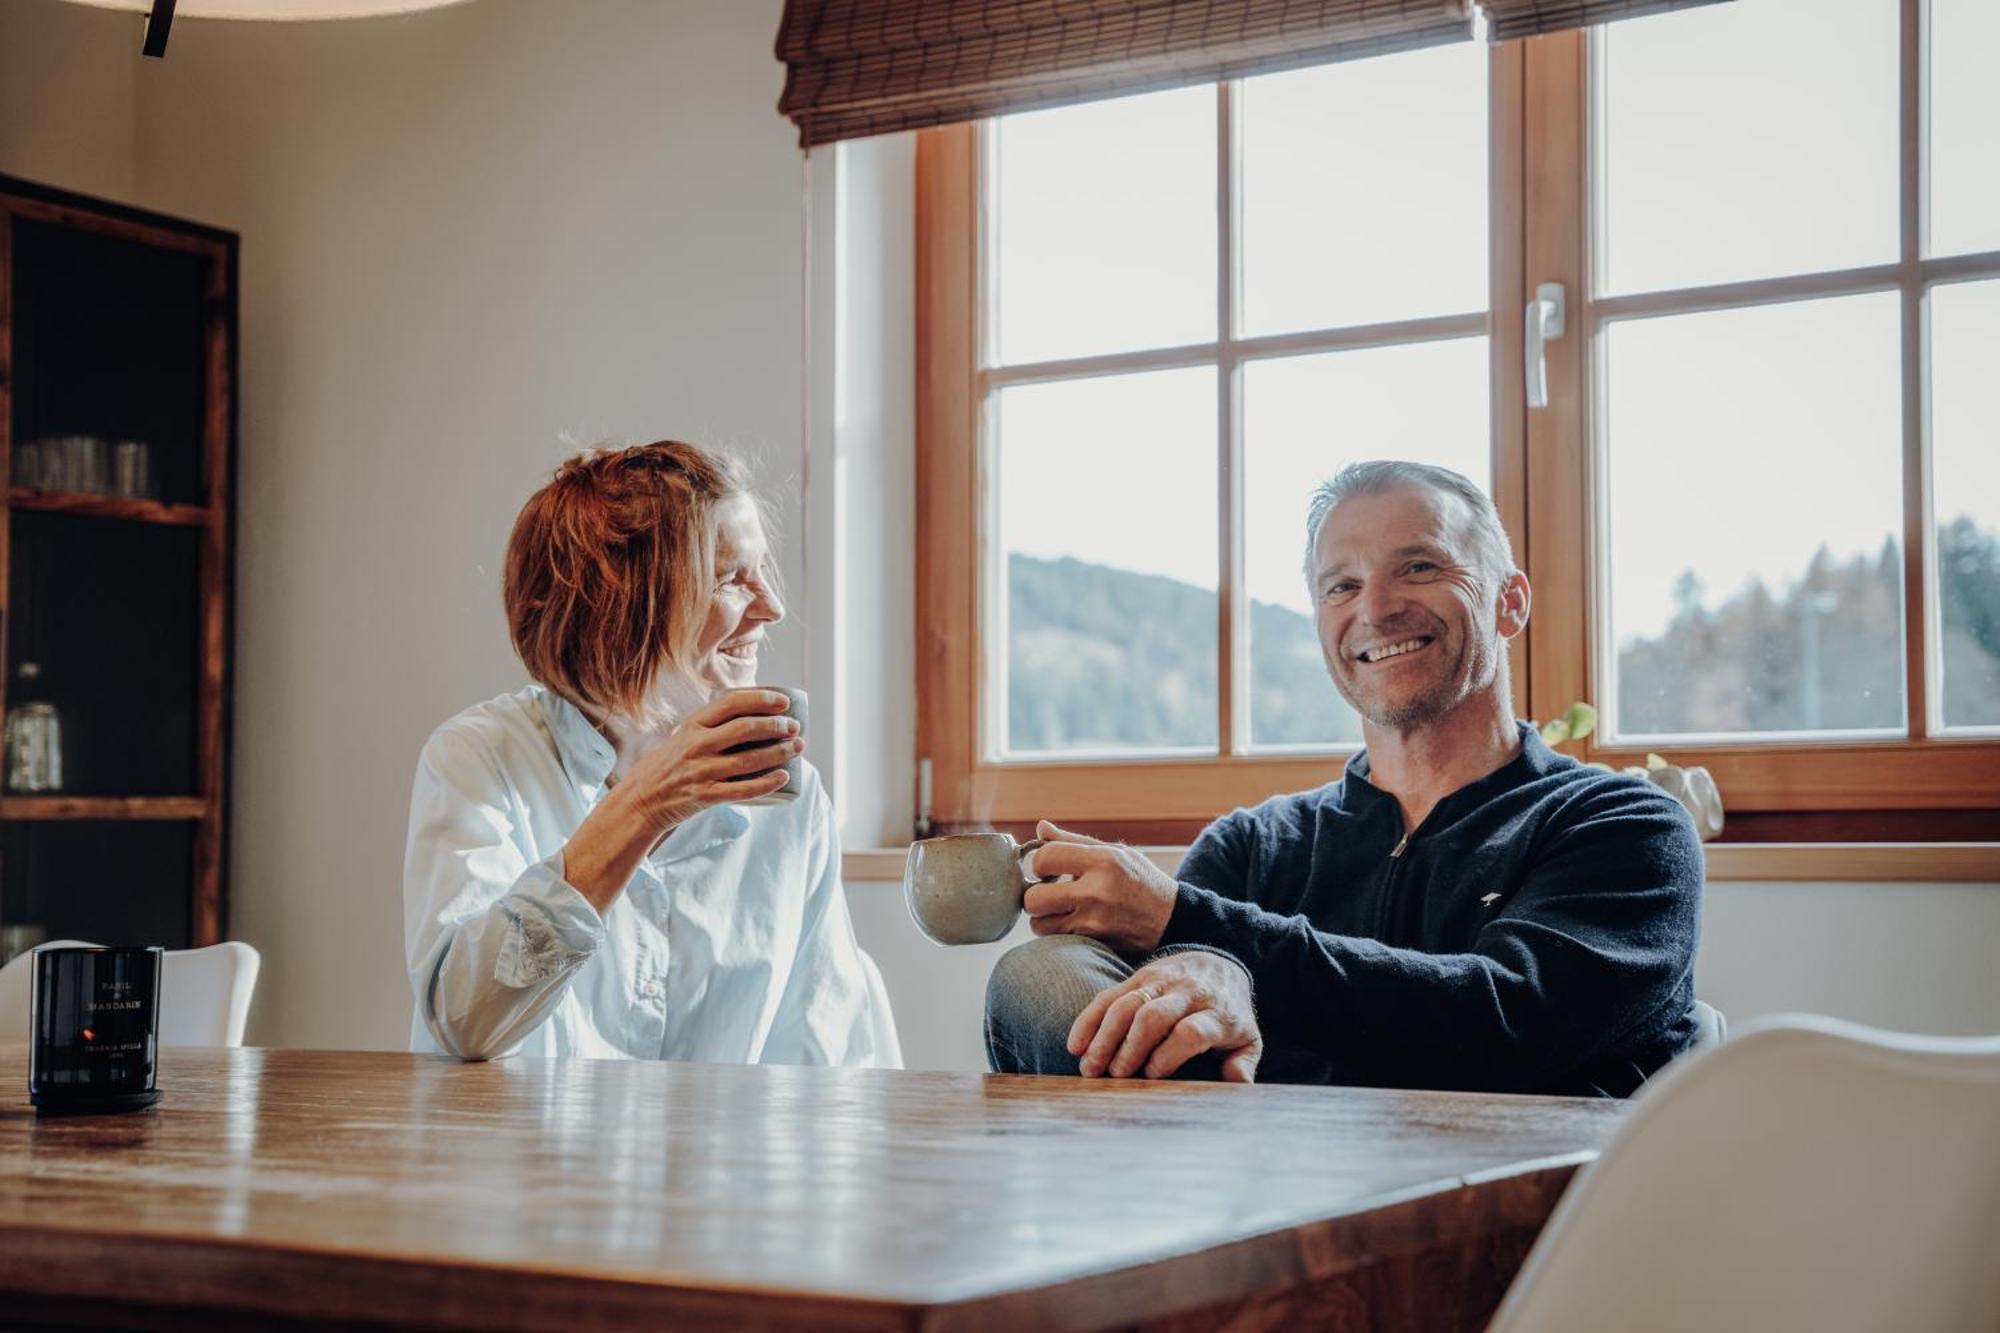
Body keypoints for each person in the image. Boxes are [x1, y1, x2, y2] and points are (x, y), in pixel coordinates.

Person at [985, 460, 1703, 1097]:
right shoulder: (1251, 846)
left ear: (1509, 601)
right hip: (1260, 1220)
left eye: (1419, 566)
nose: (1376, 607)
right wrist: (1206, 959)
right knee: (1038, 979)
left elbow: (1505, 1022)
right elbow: (1174, 990)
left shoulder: (1624, 826)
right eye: (1342, 585)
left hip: (1518, 1233)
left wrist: (1198, 930)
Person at [404, 440, 891, 1065]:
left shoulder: (789, 803)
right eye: (729, 579)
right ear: (622, 609)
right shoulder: (480, 758)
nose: (772, 607)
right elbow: (463, 1023)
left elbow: (833, 1057)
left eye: (762, 572)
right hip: (522, 1161)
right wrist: (645, 806)